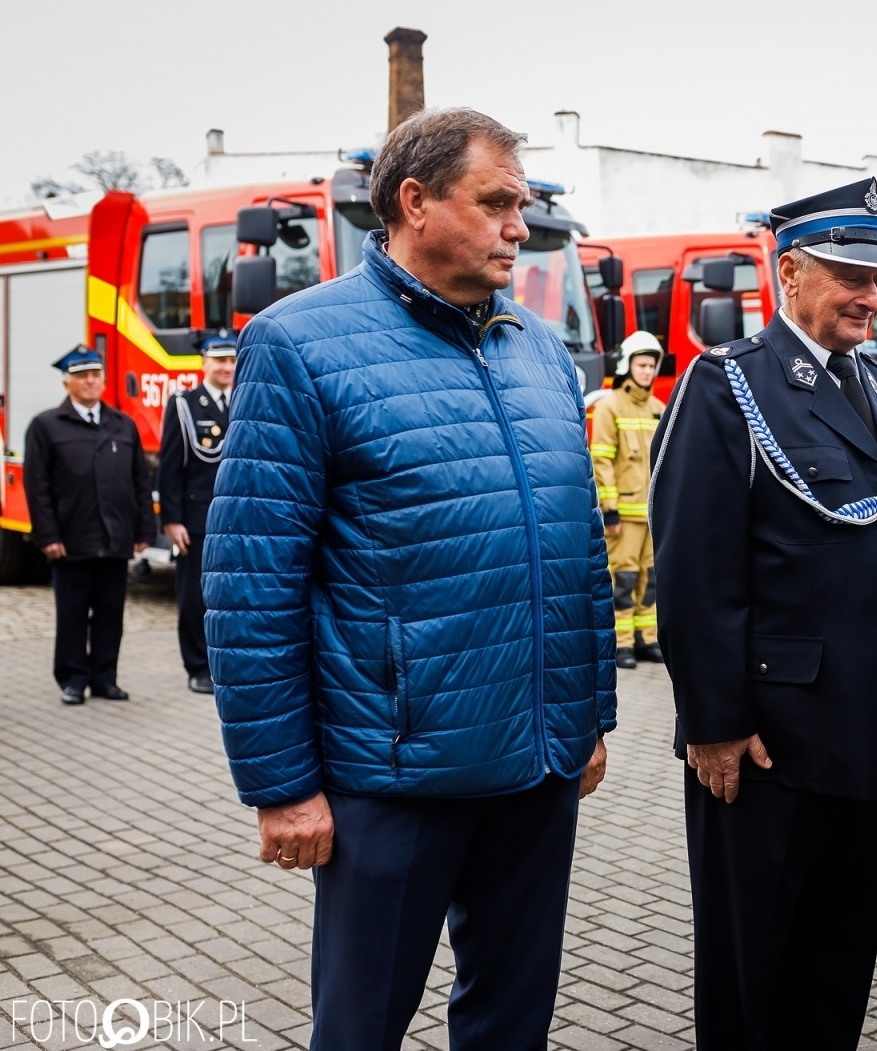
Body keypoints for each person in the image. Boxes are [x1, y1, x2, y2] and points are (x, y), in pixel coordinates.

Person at [201, 108, 616, 1051]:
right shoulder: (299, 343)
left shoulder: (540, 351)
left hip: (537, 768)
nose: (518, 228)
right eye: (497, 203)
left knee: (513, 1022)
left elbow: (578, 552)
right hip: (393, 780)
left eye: (523, 206)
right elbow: (251, 584)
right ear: (415, 202)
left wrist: (587, 714)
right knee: (362, 1027)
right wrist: (282, 785)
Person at [650, 177, 877, 1051]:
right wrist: (713, 723)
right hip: (770, 743)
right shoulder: (729, 385)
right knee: (754, 968)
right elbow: (695, 570)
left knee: (839, 963)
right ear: (789, 273)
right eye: (850, 276)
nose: (870, 297)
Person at [22, 345, 154, 705]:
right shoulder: (47, 426)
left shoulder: (122, 424)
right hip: (71, 539)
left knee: (111, 614)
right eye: (82, 376)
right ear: (67, 383)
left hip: (115, 539)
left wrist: (144, 530)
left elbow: (140, 481)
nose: (91, 381)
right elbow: (37, 487)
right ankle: (72, 679)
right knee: (73, 614)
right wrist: (48, 536)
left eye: (96, 375)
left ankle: (104, 678)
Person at [157, 334, 235, 694]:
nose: (227, 368)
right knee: (195, 598)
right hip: (198, 518)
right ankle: (198, 666)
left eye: (232, 361)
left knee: (233, 597)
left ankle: (228, 664)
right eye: (220, 361)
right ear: (204, 363)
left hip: (238, 519)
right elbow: (170, 467)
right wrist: (172, 520)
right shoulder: (185, 405)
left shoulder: (246, 399)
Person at [590, 330, 666, 669]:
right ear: (627, 366)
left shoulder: (659, 409)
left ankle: (647, 639)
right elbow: (602, 461)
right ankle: (622, 644)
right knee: (623, 579)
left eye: (651, 366)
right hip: (622, 516)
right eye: (641, 365)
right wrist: (610, 511)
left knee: (650, 580)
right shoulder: (609, 406)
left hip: (652, 516)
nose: (647, 371)